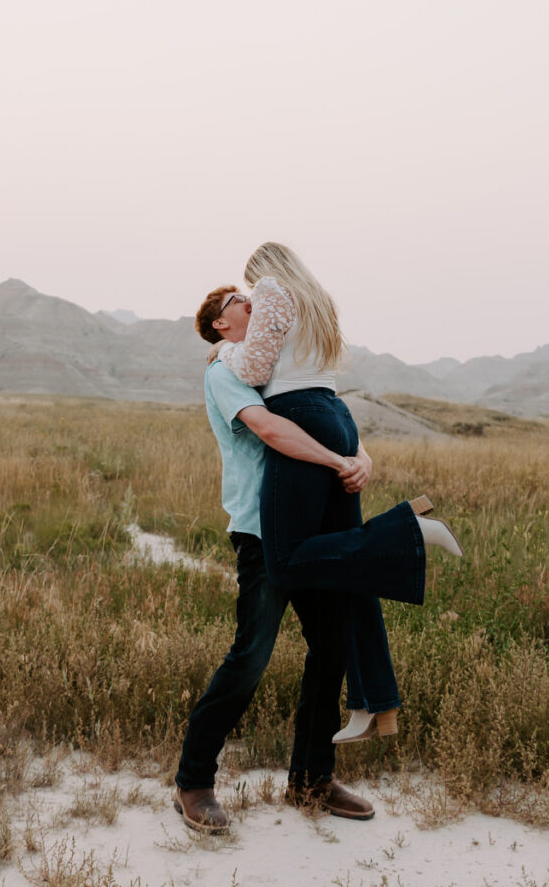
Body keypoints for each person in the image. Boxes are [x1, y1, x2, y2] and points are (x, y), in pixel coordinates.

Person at [217, 243, 463, 743]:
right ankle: (377, 704)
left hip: (300, 414)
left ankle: (407, 527)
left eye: (248, 282)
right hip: (335, 413)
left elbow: (254, 370)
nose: (248, 294)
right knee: (354, 572)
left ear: (262, 271)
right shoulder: (317, 298)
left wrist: (225, 350)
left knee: (284, 562)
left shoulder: (271, 289)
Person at [173, 285, 377, 833]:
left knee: (331, 645)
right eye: (238, 300)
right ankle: (192, 782)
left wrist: (361, 459)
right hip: (263, 535)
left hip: (311, 528)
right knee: (251, 655)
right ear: (221, 324)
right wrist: (338, 461)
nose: (250, 301)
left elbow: (323, 414)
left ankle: (311, 778)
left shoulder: (272, 369)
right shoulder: (224, 372)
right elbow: (270, 428)